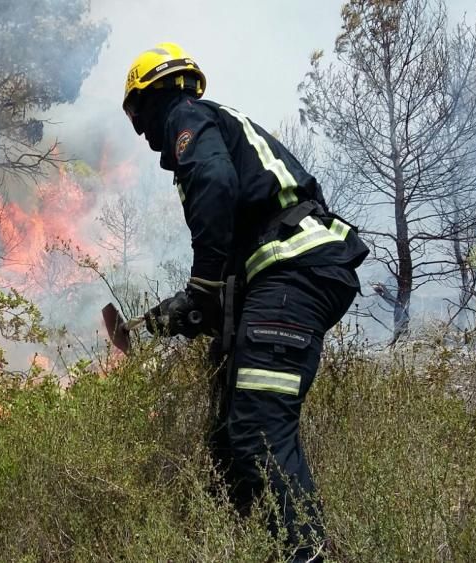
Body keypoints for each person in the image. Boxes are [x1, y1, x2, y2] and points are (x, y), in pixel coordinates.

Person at [123, 42, 368, 562]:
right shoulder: (223, 136)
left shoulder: (186, 116)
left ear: (147, 99)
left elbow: (213, 184)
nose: (141, 131)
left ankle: (306, 553)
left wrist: (201, 286)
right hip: (290, 275)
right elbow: (228, 276)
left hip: (293, 271)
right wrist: (182, 313)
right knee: (232, 432)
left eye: (135, 114)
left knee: (258, 426)